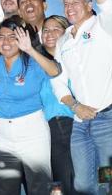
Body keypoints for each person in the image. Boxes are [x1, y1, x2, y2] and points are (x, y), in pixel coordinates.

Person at [50, 0, 112, 194]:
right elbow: (57, 79)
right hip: (81, 122)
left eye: (75, 3)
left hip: (110, 116)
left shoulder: (104, 26)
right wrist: (75, 105)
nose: (69, 7)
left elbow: (109, 6)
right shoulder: (63, 41)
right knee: (82, 184)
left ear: (89, 5)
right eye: (66, 4)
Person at [0, 16, 56, 195]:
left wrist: (31, 50)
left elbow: (55, 71)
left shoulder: (32, 63)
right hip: (4, 134)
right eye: (1, 37)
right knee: (6, 188)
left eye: (12, 36)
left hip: (33, 131)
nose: (6, 41)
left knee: (39, 186)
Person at [40, 15, 76, 195]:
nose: (49, 33)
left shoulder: (75, 59)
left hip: (71, 123)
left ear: (67, 32)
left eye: (56, 29)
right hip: (46, 129)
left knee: (69, 180)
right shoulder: (36, 64)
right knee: (57, 184)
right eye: (45, 30)